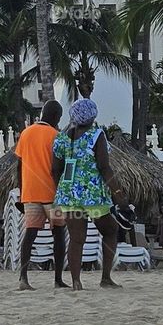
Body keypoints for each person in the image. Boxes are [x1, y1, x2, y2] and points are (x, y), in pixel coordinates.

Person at [51, 97, 130, 291]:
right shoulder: (96, 135)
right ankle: (105, 279)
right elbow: (104, 167)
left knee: (77, 238)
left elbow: (55, 169)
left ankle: (76, 282)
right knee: (110, 231)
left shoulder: (61, 138)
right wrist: (119, 195)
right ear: (93, 116)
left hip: (68, 194)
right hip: (93, 195)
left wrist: (63, 190)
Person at [14, 99, 65, 290]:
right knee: (58, 234)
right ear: (55, 116)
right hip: (53, 195)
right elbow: (57, 167)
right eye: (59, 117)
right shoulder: (56, 135)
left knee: (30, 234)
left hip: (30, 193)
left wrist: (22, 191)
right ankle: (58, 279)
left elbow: (19, 165)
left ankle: (23, 278)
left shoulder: (25, 134)